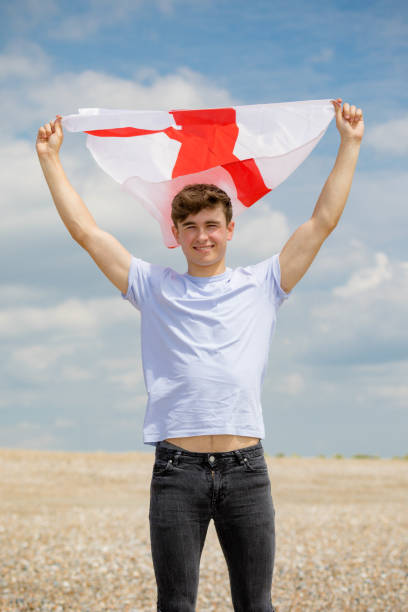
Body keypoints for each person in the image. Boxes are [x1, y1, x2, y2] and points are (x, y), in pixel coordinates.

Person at [36, 98, 363, 612]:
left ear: (229, 229)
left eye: (211, 224)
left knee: (256, 604)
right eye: (189, 227)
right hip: (177, 471)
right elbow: (87, 233)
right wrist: (52, 160)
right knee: (176, 605)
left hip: (246, 470)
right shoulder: (151, 286)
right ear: (176, 236)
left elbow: (322, 222)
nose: (202, 236)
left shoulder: (264, 284)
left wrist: (349, 145)